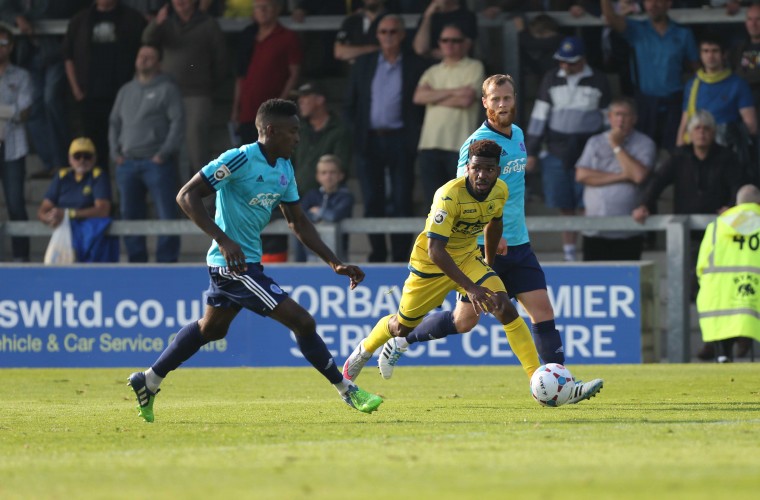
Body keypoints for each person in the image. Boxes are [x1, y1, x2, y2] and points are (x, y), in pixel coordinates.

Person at [127, 99, 383, 422]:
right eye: (292, 132)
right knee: (303, 322)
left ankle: (149, 379)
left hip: (244, 262)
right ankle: (348, 390)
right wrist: (222, 238)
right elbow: (185, 196)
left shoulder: (284, 168)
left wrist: (334, 262)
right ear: (271, 131)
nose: (297, 138)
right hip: (234, 265)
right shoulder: (238, 159)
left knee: (211, 329)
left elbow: (298, 221)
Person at [362, 74, 604, 404]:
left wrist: (504, 230)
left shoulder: (518, 135)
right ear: (485, 103)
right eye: (496, 99)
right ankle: (401, 340)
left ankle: (560, 385)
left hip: (518, 242)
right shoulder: (477, 144)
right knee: (464, 322)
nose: (503, 104)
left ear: (515, 100)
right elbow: (467, 193)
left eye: (508, 98)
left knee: (542, 311)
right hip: (482, 246)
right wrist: (486, 235)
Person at [344, 14, 429, 262]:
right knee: (372, 200)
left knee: (402, 199)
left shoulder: (415, 64)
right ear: (377, 35)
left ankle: (402, 255)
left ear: (402, 35)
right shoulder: (364, 63)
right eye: (383, 32)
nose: (388, 36)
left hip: (401, 138)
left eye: (393, 31)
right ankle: (378, 254)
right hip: (369, 140)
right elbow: (349, 104)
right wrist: (356, 131)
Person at [526, 36, 611, 262]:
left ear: (583, 60)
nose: (565, 66)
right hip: (557, 148)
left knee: (587, 204)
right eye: (562, 61)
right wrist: (531, 151)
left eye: (571, 62)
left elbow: (607, 120)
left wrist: (609, 149)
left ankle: (588, 252)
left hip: (588, 150)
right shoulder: (551, 78)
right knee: (564, 204)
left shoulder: (599, 79)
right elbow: (539, 116)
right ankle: (569, 254)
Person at [109, 44, 184, 263]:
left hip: (157, 163)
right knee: (129, 216)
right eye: (141, 56)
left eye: (150, 57)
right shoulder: (125, 91)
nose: (144, 60)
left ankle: (167, 262)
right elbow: (114, 123)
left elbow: (178, 122)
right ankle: (136, 261)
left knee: (167, 214)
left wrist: (163, 153)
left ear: (159, 63)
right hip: (127, 162)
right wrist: (116, 153)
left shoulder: (168, 89)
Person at [142, 0, 227, 180]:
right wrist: (157, 22)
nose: (180, 2)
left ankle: (205, 203)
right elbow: (147, 40)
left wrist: (208, 84)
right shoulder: (166, 23)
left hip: (198, 95)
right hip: (168, 94)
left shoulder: (208, 24)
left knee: (197, 151)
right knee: (167, 150)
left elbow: (221, 62)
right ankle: (174, 203)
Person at [601, 0, 699, 150]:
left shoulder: (684, 34)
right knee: (643, 150)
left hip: (674, 103)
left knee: (674, 153)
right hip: (645, 103)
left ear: (668, 3)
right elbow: (610, 17)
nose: (653, 4)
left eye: (659, 1)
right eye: (649, 1)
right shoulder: (636, 29)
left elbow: (697, 69)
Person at [63, 0, 147, 168]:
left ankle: (123, 192)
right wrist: (76, 90)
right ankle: (100, 193)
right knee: (94, 150)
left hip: (124, 96)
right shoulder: (80, 20)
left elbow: (146, 52)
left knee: (125, 149)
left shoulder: (133, 19)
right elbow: (68, 56)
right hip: (89, 97)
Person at [0, 0, 79, 178]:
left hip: (56, 51)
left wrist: (26, 18)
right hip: (28, 54)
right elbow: (4, 7)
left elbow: (57, 9)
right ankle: (50, 162)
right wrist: (16, 17)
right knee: (34, 108)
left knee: (51, 100)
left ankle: (63, 162)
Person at [576, 97, 656, 261]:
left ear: (634, 119)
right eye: (617, 114)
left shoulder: (645, 143)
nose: (621, 119)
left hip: (628, 231)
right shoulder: (595, 142)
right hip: (595, 231)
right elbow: (581, 175)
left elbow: (638, 176)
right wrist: (622, 175)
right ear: (610, 117)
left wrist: (616, 145)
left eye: (626, 115)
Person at [414, 23, 485, 202]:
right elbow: (418, 97)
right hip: (429, 145)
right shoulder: (432, 71)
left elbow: (467, 99)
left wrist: (434, 96)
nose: (450, 44)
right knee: (434, 205)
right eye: (445, 40)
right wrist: (455, 91)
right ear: (439, 43)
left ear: (465, 43)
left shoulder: (475, 67)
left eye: (455, 40)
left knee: (461, 203)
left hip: (460, 146)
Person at [696, 184, 760, 363]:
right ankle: (744, 338)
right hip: (754, 294)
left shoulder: (718, 225)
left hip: (720, 295)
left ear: (737, 203)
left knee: (723, 347)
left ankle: (723, 354)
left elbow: (702, 264)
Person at [676, 35, 757, 171]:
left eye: (714, 51)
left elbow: (752, 126)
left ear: (724, 54)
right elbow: (685, 121)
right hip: (696, 152)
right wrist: (679, 151)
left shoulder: (738, 84)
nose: (710, 56)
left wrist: (725, 133)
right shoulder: (692, 84)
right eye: (705, 51)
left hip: (726, 154)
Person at [231, 0, 302, 145]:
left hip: (272, 113)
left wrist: (280, 105)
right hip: (247, 112)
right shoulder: (248, 36)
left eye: (267, 6)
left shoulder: (287, 37)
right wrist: (236, 108)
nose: (262, 10)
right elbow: (241, 76)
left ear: (277, 9)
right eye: (258, 7)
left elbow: (294, 74)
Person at [37, 137, 119, 262]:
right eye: (77, 156)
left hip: (92, 236)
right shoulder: (61, 176)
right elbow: (44, 208)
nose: (82, 160)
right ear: (70, 159)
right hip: (64, 231)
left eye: (87, 156)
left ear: (94, 158)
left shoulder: (98, 176)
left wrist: (68, 214)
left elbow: (103, 210)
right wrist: (48, 218)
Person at [0, 24, 32, 262]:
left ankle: (21, 258)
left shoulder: (21, 75)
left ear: (10, 47)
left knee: (16, 205)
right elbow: (14, 110)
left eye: (2, 43)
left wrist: (9, 112)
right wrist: (8, 111)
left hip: (13, 147)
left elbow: (24, 111)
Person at [292, 81, 353, 196]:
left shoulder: (339, 131)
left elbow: (340, 168)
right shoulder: (298, 130)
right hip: (295, 199)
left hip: (325, 199)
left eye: (305, 97)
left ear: (320, 100)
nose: (300, 101)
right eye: (300, 98)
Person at [294, 155, 355, 262]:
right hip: (309, 256)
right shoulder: (311, 195)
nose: (328, 176)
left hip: (338, 257)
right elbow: (299, 216)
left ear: (340, 176)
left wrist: (318, 211)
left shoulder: (346, 197)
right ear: (317, 176)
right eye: (324, 172)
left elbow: (334, 216)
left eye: (332, 172)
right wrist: (321, 215)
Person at [412, 0, 477, 60]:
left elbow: (464, 49)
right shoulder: (429, 16)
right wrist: (428, 16)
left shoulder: (467, 16)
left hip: (456, 64)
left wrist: (431, 53)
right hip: (429, 65)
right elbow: (420, 49)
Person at [334, 0, 389, 64]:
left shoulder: (391, 20)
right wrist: (373, 49)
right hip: (358, 71)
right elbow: (339, 52)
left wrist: (355, 53)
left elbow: (392, 51)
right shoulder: (352, 20)